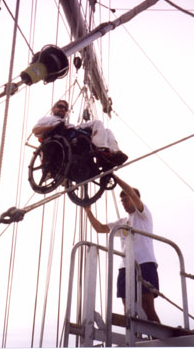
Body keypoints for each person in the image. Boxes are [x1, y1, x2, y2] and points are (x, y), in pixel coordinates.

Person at [84, 175, 160, 323]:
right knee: (128, 309)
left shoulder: (143, 214)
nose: (123, 204)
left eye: (126, 200)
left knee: (147, 308)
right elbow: (100, 228)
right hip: (125, 267)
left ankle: (157, 343)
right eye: (122, 201)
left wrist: (113, 176)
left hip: (144, 263)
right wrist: (88, 211)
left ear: (135, 199)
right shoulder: (123, 222)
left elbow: (131, 192)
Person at [32, 100, 128, 165]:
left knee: (108, 131)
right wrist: (55, 126)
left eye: (65, 108)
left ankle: (114, 153)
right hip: (69, 136)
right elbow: (36, 131)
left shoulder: (65, 121)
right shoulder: (47, 119)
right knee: (97, 123)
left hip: (74, 130)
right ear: (53, 109)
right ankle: (102, 149)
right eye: (60, 106)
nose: (63, 109)